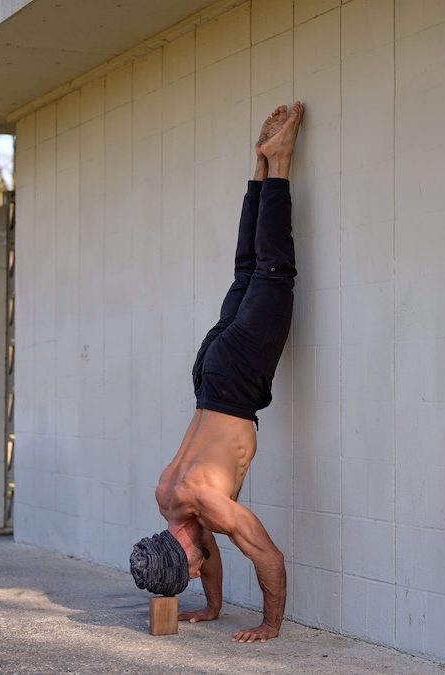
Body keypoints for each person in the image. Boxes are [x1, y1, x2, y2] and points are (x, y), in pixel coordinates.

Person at [129, 102, 304, 643]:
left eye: (194, 571)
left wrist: (270, 623)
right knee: (248, 271)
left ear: (183, 553)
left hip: (238, 382)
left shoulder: (205, 503)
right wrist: (213, 607)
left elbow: (267, 555)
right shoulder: (170, 499)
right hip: (208, 375)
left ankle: (280, 164)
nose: (201, 571)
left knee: (274, 271)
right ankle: (259, 169)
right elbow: (206, 546)